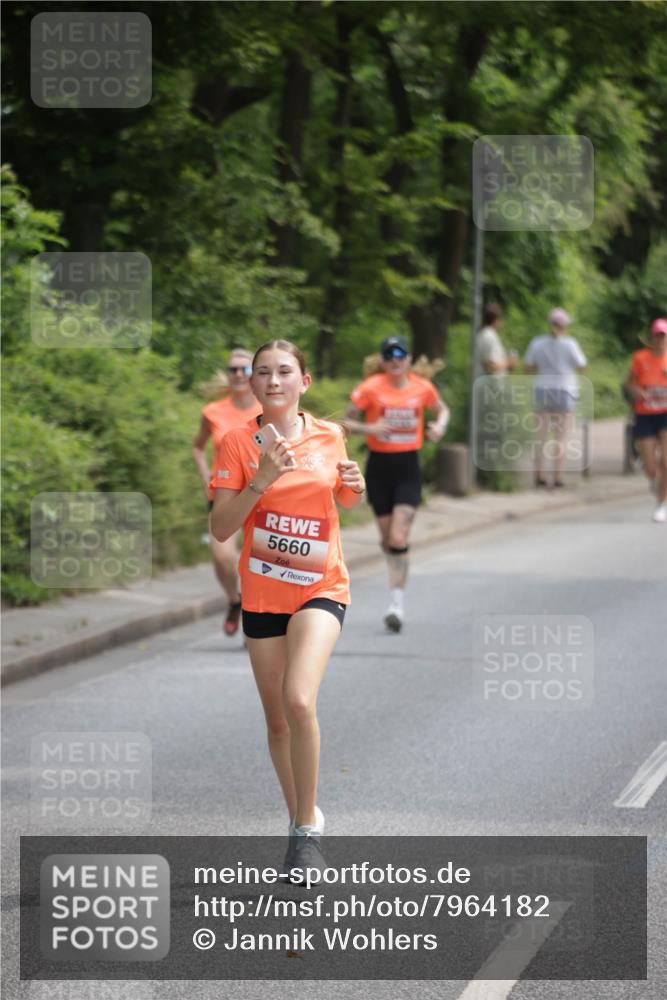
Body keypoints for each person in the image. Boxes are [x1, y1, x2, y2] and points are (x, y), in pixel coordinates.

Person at [210, 339, 364, 879]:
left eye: (284, 372)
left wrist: (354, 488)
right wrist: (262, 478)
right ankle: (300, 812)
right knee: (277, 722)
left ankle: (305, 834)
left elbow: (341, 496)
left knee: (299, 699)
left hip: (321, 584)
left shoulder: (330, 434)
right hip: (262, 593)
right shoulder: (234, 442)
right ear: (251, 385)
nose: (273, 381)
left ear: (305, 381)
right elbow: (222, 528)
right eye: (262, 373)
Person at [344, 335, 449, 633]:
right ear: (382, 360)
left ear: (409, 359)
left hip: (408, 467)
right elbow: (344, 422)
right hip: (378, 467)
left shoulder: (422, 387)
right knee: (389, 540)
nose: (395, 359)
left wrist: (439, 425)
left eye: (400, 354)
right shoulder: (370, 388)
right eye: (389, 354)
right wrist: (370, 427)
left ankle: (397, 604)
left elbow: (442, 410)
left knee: (399, 537)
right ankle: (396, 582)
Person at [192, 349, 262, 635]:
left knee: (258, 560)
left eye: (245, 370)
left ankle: (256, 616)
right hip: (225, 494)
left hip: (260, 492)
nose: (238, 375)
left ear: (254, 374)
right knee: (222, 558)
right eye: (233, 369)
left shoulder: (267, 408)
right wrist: (204, 474)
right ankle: (235, 600)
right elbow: (198, 447)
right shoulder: (213, 411)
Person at [524, 308, 587, 488]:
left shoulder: (537, 343)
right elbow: (582, 366)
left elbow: (527, 368)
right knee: (561, 436)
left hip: (542, 390)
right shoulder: (570, 344)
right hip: (564, 390)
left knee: (541, 436)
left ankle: (539, 475)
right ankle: (557, 476)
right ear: (565, 325)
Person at [624, 317, 667, 522]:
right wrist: (637, 392)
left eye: (664, 336)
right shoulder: (640, 358)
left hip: (665, 414)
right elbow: (629, 384)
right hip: (645, 414)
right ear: (652, 337)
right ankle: (653, 478)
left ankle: (661, 505)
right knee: (651, 466)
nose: (661, 340)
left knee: (666, 461)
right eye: (658, 336)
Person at [473, 303, 517, 379]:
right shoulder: (490, 336)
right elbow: (490, 366)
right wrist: (509, 363)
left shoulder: (482, 334)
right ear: (496, 320)